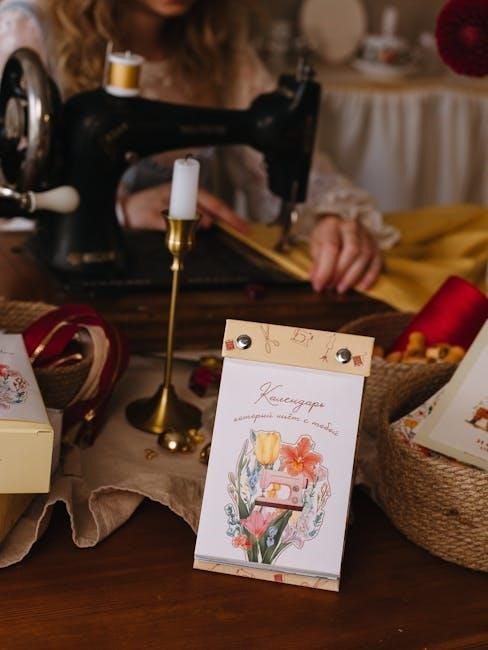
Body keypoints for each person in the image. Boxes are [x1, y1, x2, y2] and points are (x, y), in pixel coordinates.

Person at [0, 0, 398, 293]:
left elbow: (289, 163)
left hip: (174, 293)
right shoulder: (27, 31)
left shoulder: (218, 48)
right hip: (46, 298)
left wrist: (328, 217)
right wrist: (117, 210)